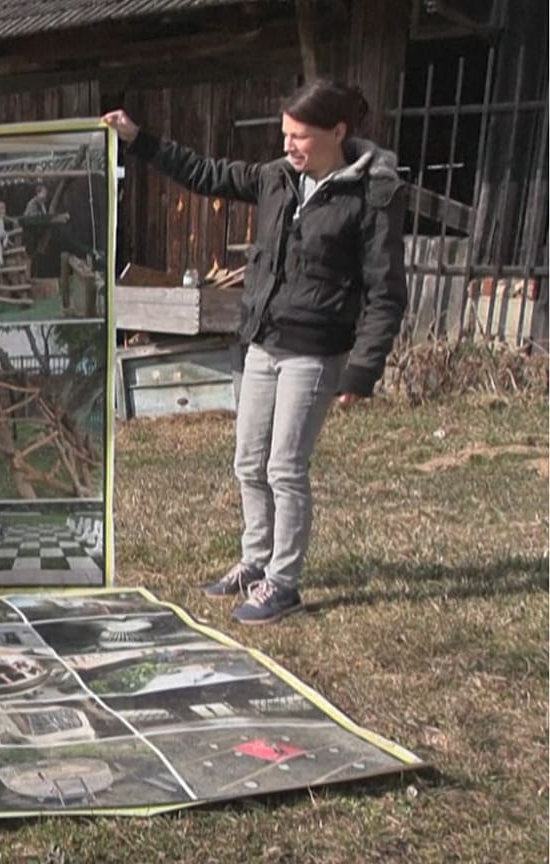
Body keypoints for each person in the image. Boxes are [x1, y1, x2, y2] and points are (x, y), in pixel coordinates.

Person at [103, 79, 406, 625]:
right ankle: (254, 561)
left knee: (285, 467)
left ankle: (283, 584)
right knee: (249, 462)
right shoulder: (277, 179)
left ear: (338, 132)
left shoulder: (370, 196)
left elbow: (387, 293)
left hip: (313, 352)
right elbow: (205, 172)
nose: (289, 145)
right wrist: (137, 138)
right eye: (285, 134)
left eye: (301, 137)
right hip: (261, 342)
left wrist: (362, 370)